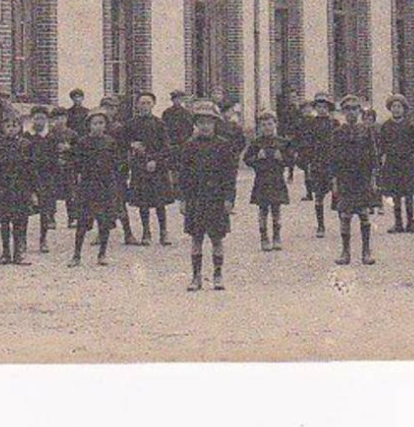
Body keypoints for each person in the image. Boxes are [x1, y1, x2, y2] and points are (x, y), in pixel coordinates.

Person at [175, 101, 237, 291]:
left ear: (215, 124)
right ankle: (196, 276)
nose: (205, 126)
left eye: (209, 122)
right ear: (196, 124)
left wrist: (229, 198)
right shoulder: (189, 146)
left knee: (217, 238)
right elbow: (183, 174)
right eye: (201, 122)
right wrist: (183, 199)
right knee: (196, 238)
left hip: (216, 198)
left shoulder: (224, 146)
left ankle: (218, 274)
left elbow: (230, 175)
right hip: (196, 198)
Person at [69, 108, 126, 267]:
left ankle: (102, 254)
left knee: (104, 221)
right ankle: (76, 255)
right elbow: (75, 164)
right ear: (89, 125)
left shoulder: (110, 142)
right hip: (87, 186)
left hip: (106, 186)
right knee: (82, 222)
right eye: (95, 123)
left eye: (101, 123)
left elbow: (117, 163)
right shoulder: (82, 142)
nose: (98, 126)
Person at [329, 95, 378, 265]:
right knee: (345, 215)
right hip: (345, 178)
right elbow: (333, 158)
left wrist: (373, 179)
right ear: (343, 112)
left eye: (354, 109)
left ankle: (366, 251)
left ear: (359, 111)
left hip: (362, 177)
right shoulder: (337, 132)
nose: (351, 112)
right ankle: (345, 251)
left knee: (364, 214)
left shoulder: (366, 131)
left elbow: (373, 157)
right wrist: (334, 180)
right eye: (347, 109)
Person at [123, 91, 174, 246]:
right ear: (137, 105)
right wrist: (131, 145)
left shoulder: (159, 124)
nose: (145, 106)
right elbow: (122, 142)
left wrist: (155, 161)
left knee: (160, 201)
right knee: (143, 201)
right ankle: (146, 231)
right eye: (142, 103)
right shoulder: (131, 124)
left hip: (157, 167)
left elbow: (166, 147)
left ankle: (163, 232)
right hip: (139, 167)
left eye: (148, 103)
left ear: (153, 105)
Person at [0, 110, 33, 266]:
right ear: (3, 128)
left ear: (20, 127)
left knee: (19, 221)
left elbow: (31, 168)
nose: (11, 129)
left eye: (14, 125)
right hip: (2, 187)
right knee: (4, 221)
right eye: (8, 126)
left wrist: (33, 190)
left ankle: (18, 253)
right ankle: (5, 253)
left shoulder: (25, 145)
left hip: (20, 188)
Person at [243, 110, 291, 251]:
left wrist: (281, 157)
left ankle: (276, 237)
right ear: (260, 127)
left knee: (276, 209)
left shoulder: (282, 142)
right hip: (262, 180)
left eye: (270, 124)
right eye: (264, 125)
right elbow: (246, 159)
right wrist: (257, 157)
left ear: (275, 124)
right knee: (263, 210)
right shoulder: (256, 143)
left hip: (277, 179)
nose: (267, 127)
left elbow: (291, 160)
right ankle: (264, 237)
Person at [377, 94, 414, 234]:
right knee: (395, 195)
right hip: (392, 162)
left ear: (404, 109)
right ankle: (398, 222)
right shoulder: (386, 126)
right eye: (394, 107)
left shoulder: (410, 125)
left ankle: (411, 222)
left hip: (407, 162)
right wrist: (383, 158)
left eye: (399, 107)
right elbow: (382, 144)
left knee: (409, 194)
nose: (396, 109)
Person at [25, 106, 62, 253]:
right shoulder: (26, 136)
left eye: (42, 118)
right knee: (25, 209)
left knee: (45, 210)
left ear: (46, 120)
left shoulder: (51, 137)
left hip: (46, 177)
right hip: (28, 177)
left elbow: (55, 159)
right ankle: (22, 240)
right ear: (32, 119)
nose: (38, 121)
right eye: (36, 118)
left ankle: (43, 239)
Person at [300, 94, 337, 237]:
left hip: (332, 162)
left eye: (324, 107)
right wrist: (308, 162)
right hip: (317, 162)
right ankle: (321, 226)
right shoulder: (311, 124)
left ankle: (342, 222)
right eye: (319, 107)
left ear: (329, 108)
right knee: (319, 195)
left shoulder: (334, 124)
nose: (322, 110)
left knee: (337, 193)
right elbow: (307, 145)